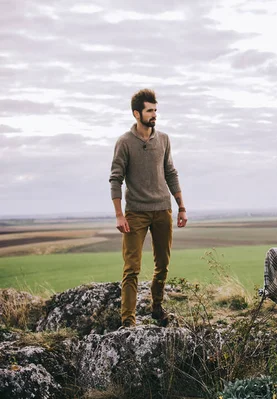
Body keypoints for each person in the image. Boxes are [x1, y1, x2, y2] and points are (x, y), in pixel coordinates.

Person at [109, 88, 188, 328]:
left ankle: (157, 307)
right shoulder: (124, 142)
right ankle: (128, 322)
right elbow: (115, 178)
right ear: (136, 114)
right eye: (149, 110)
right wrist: (119, 214)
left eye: (156, 110)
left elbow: (170, 173)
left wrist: (181, 207)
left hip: (162, 210)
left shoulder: (163, 139)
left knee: (162, 265)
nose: (154, 115)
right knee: (132, 268)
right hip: (135, 213)